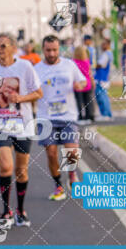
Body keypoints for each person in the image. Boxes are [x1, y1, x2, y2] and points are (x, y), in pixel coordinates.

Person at [0, 34, 42, 228]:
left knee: (21, 171)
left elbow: (38, 93)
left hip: (22, 124)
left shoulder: (25, 67)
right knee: (6, 166)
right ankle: (6, 211)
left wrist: (21, 99)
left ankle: (20, 211)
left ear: (14, 48)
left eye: (3, 46)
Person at [35, 35, 87, 201]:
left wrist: (80, 85)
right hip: (46, 117)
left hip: (68, 115)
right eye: (48, 50)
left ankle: (72, 175)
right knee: (51, 153)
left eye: (54, 50)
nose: (51, 53)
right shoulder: (36, 69)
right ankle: (58, 184)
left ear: (59, 49)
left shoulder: (69, 65)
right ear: (43, 50)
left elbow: (84, 81)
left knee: (71, 150)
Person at [73, 45, 95, 124]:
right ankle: (89, 116)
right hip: (87, 83)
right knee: (88, 101)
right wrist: (93, 82)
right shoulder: (87, 61)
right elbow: (90, 73)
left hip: (78, 84)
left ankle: (80, 117)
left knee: (79, 102)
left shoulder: (73, 62)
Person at [94, 39, 113, 120]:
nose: (102, 46)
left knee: (102, 97)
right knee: (104, 96)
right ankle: (107, 114)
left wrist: (94, 66)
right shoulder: (109, 54)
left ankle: (105, 114)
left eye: (103, 44)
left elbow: (100, 65)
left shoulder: (106, 54)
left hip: (101, 79)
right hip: (104, 78)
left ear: (108, 45)